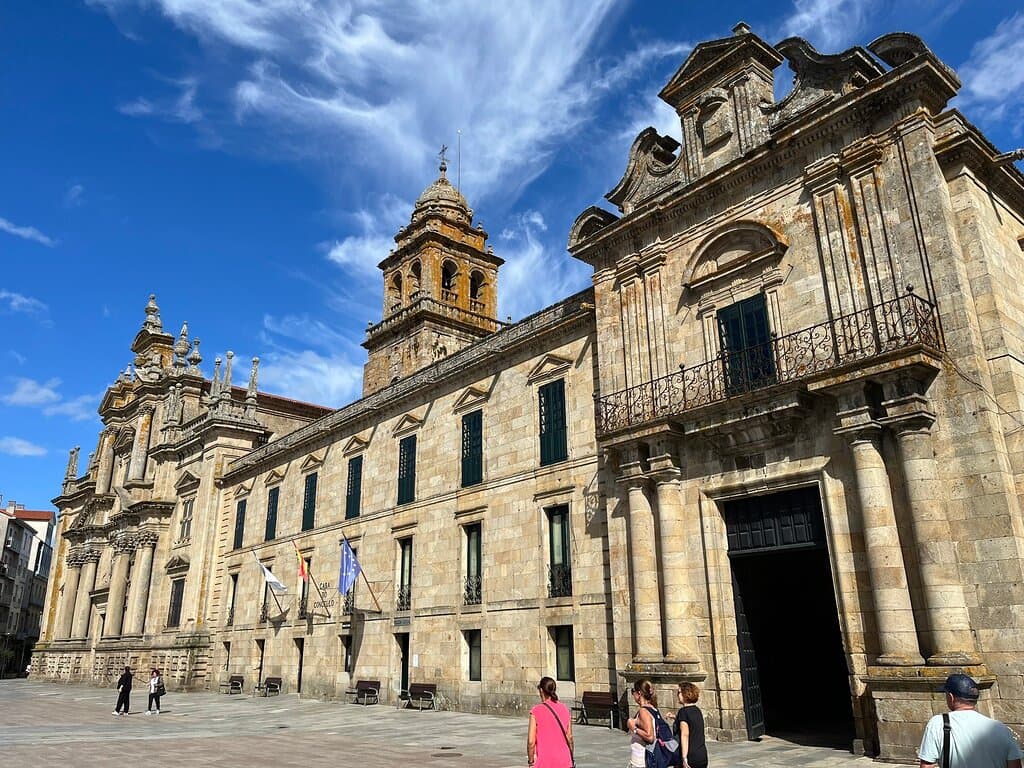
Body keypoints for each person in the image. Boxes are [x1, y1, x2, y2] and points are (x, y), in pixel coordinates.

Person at [918, 673, 1023, 768]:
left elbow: (927, 765)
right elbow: (1015, 765)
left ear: (951, 697)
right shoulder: (1001, 728)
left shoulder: (938, 723)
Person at [528, 676, 574, 768]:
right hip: (564, 761)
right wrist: (571, 757)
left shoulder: (536, 711)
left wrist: (531, 761)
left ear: (541, 690)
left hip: (545, 762)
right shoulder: (565, 709)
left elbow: (531, 741)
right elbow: (569, 737)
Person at [674, 682, 708, 768]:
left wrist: (684, 758)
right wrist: (675, 718)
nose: (678, 695)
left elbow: (685, 734)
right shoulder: (697, 710)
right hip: (701, 754)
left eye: (679, 692)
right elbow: (691, 724)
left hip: (690, 755)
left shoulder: (683, 712)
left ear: (685, 694)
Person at [627, 679, 658, 768]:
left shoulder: (643, 711)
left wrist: (634, 728)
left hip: (641, 761)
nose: (633, 694)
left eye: (633, 691)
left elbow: (650, 737)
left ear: (639, 693)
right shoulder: (653, 708)